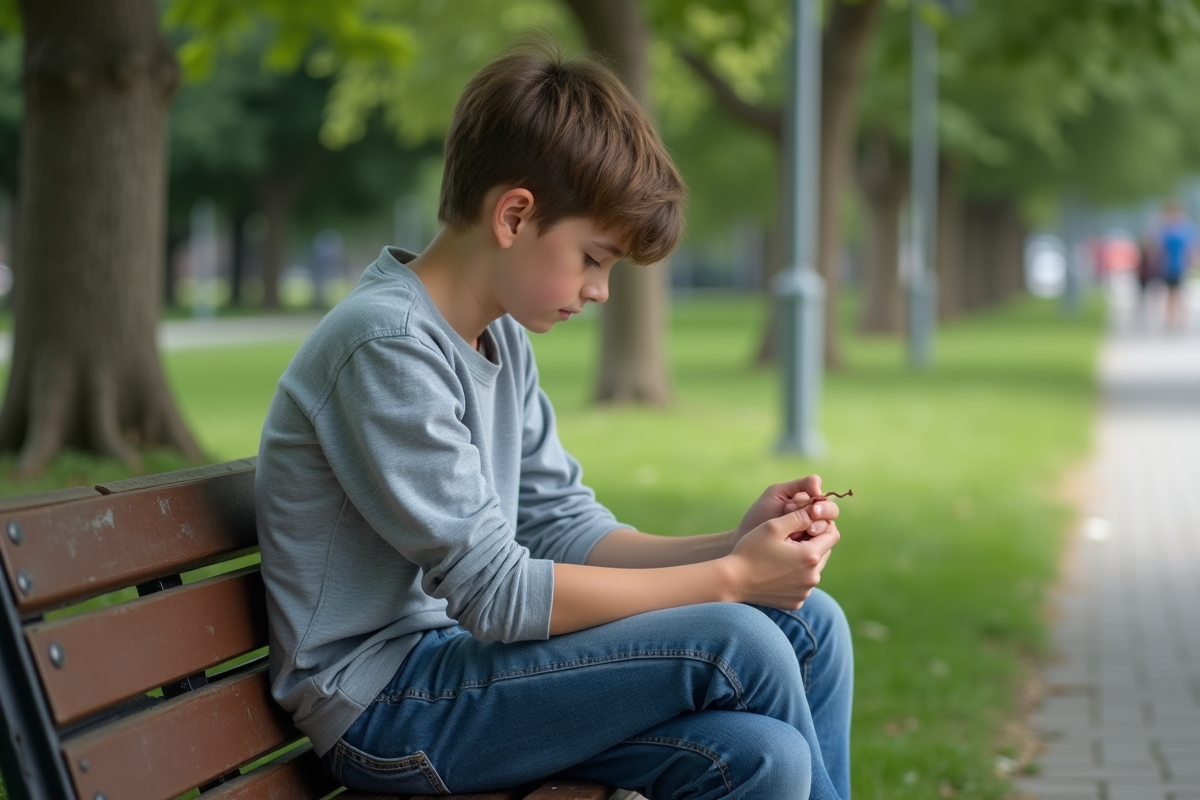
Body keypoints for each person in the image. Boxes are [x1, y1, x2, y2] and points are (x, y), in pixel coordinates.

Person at [256, 42, 852, 800]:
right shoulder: (386, 346)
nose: (600, 291)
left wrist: (733, 545)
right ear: (514, 214)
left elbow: (563, 528)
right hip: (386, 707)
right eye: (594, 259)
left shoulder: (498, 334)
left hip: (463, 670)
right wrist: (734, 579)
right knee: (741, 643)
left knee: (797, 670)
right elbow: (496, 595)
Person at [1158, 201, 1196, 331]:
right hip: (1168, 266)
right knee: (1169, 293)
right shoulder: (1166, 229)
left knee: (1179, 293)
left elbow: (1190, 248)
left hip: (1180, 265)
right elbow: (1160, 249)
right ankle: (1170, 320)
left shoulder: (1184, 229)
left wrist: (1193, 261)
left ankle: (1179, 320)